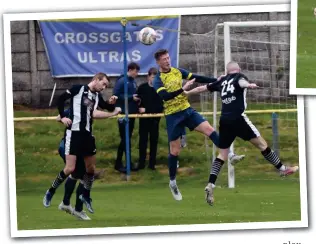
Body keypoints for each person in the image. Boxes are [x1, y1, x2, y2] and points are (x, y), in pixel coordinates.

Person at [183, 61, 299, 206]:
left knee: (222, 154)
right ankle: (282, 169)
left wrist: (187, 92)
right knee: (262, 144)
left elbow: (202, 88)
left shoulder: (222, 81)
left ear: (227, 71)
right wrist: (248, 85)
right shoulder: (239, 77)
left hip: (224, 120)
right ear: (238, 70)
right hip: (238, 118)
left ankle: (211, 184)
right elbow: (242, 82)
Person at [152, 49, 245, 201]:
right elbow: (165, 96)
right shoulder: (158, 79)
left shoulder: (177, 71)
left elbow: (197, 77)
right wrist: (183, 88)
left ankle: (230, 156)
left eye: (168, 58)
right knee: (174, 152)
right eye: (164, 59)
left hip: (187, 111)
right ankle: (173, 182)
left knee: (209, 129)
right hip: (172, 116)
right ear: (158, 62)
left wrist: (217, 80)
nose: (167, 61)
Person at [43, 72, 115, 214]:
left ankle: (85, 196)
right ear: (96, 80)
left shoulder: (96, 96)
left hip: (87, 135)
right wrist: (63, 117)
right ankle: (50, 191)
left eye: (106, 86)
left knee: (91, 169)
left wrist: (112, 103)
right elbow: (61, 99)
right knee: (70, 168)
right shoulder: (78, 89)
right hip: (73, 134)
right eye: (103, 84)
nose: (104, 87)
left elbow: (107, 107)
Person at [55, 107, 121, 220]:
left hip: (71, 146)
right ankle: (76, 209)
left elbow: (58, 117)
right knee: (83, 175)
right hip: (69, 147)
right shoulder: (83, 106)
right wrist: (113, 113)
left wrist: (64, 119)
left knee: (79, 174)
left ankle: (68, 204)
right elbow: (95, 114)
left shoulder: (77, 107)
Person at [113, 62, 141, 173]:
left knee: (127, 139)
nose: (137, 74)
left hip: (131, 113)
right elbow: (116, 95)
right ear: (130, 70)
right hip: (124, 113)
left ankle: (127, 162)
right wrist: (131, 97)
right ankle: (119, 163)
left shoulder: (133, 81)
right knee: (124, 139)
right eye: (136, 71)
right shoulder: (122, 81)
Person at [137, 67, 164, 170]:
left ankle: (152, 165)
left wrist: (147, 109)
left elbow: (160, 107)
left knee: (154, 141)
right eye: (153, 76)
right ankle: (141, 163)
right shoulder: (142, 88)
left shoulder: (160, 89)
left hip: (155, 120)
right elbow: (138, 103)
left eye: (156, 77)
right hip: (143, 120)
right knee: (142, 141)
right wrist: (139, 108)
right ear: (148, 76)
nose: (154, 79)